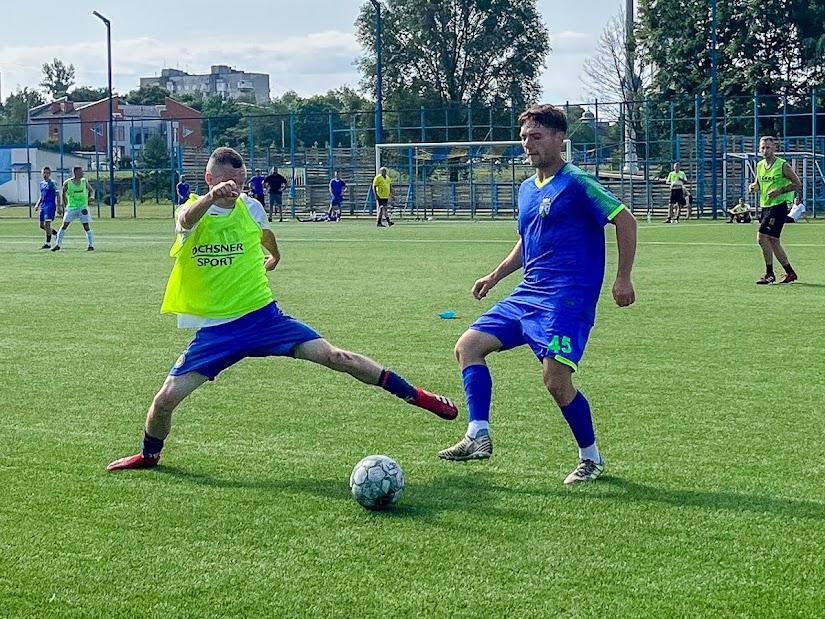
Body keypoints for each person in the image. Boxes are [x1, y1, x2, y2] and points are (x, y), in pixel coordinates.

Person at [106, 147, 458, 471]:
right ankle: (149, 455)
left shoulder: (252, 207)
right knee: (165, 399)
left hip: (264, 318)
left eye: (242, 183)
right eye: (229, 183)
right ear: (210, 179)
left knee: (337, 357)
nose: (237, 189)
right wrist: (212, 198)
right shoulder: (194, 209)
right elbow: (185, 220)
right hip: (217, 332)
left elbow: (264, 232)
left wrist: (275, 254)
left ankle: (421, 397)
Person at [437, 104, 637, 485]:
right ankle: (478, 434)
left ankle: (590, 458)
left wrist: (623, 278)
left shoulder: (578, 182)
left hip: (567, 298)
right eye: (525, 137)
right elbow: (526, 241)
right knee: (469, 346)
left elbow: (624, 219)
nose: (528, 144)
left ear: (560, 138)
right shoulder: (528, 189)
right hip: (528, 294)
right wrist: (495, 276)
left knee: (555, 381)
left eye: (537, 136)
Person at [748, 136, 802, 284]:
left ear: (774, 149)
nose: (765, 150)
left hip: (778, 206)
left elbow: (797, 183)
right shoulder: (759, 165)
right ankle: (790, 272)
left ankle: (769, 273)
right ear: (759, 149)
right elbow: (759, 184)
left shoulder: (782, 165)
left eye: (768, 147)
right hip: (765, 206)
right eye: (763, 147)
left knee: (761, 237)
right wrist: (754, 187)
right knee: (773, 241)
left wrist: (781, 190)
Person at [53, 166, 95, 252]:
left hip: (83, 207)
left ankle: (91, 245)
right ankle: (58, 244)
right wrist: (64, 206)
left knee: (86, 227)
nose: (82, 173)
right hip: (72, 208)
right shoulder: (68, 183)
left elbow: (91, 190)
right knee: (64, 225)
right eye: (81, 171)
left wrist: (92, 196)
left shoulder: (84, 181)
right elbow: (63, 193)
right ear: (75, 173)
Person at [33, 166, 61, 249]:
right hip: (43, 207)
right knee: (42, 226)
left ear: (50, 174)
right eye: (44, 173)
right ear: (42, 173)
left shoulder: (53, 183)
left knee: (47, 224)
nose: (45, 174)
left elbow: (58, 195)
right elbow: (42, 196)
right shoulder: (41, 184)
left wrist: (59, 206)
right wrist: (37, 204)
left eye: (47, 173)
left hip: (50, 207)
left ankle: (48, 243)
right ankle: (55, 233)